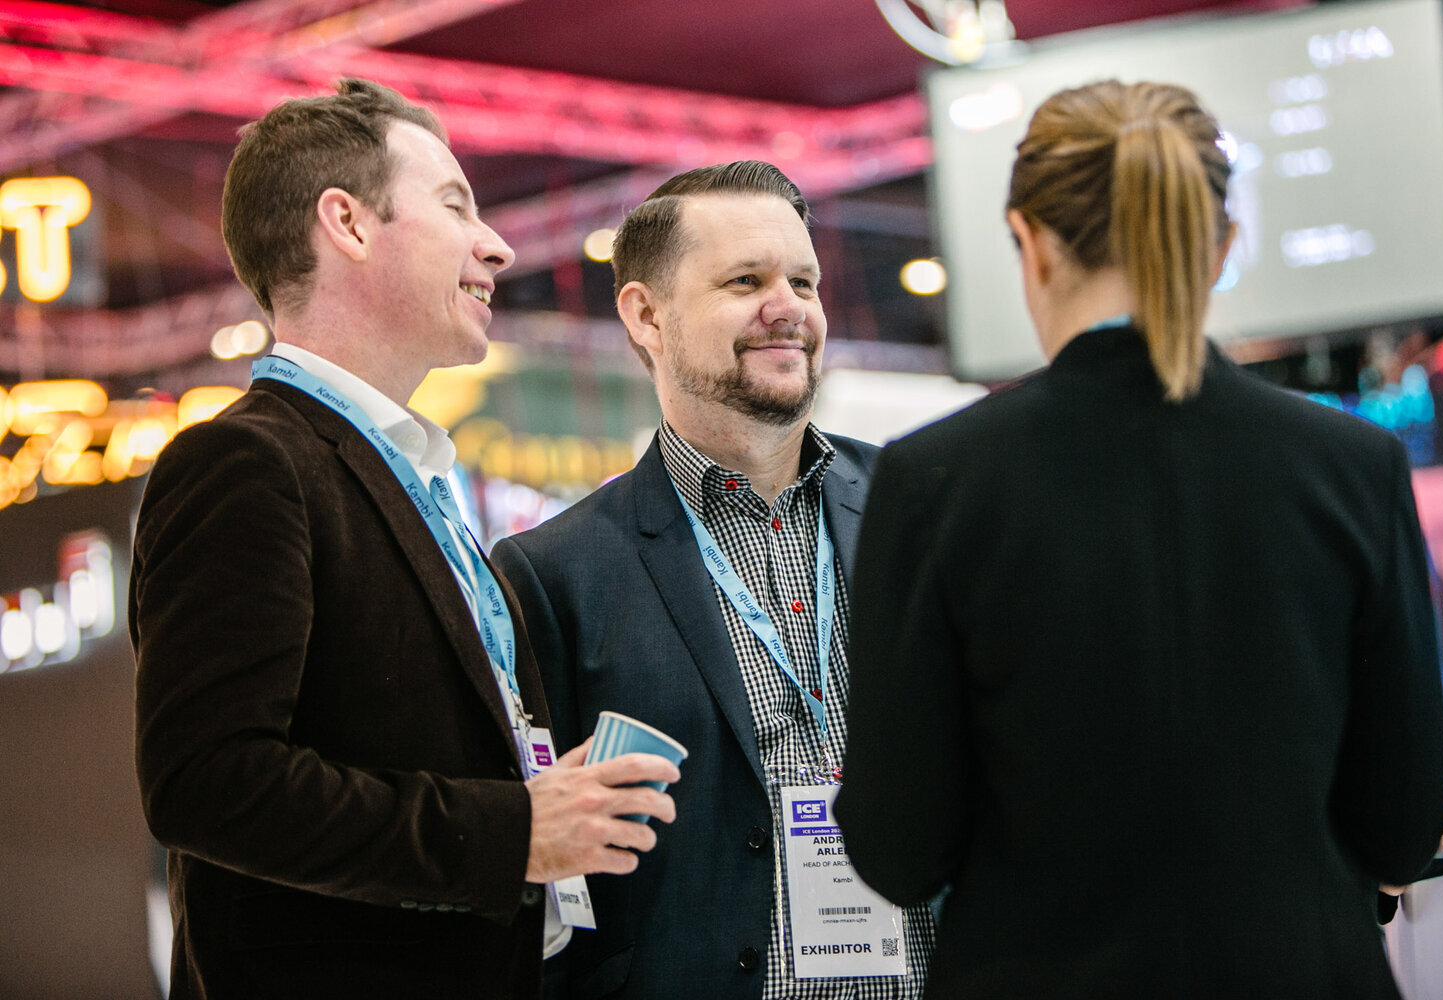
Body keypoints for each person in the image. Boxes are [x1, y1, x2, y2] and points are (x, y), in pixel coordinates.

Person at [835, 80, 1443, 998]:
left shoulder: (933, 481)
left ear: (1030, 243)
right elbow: (1404, 822)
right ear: (1222, 251)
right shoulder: (1351, 466)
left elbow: (900, 850)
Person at [130, 78, 678, 1000]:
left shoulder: (411, 474)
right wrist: (514, 830)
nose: (497, 245)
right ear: (345, 224)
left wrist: (540, 791)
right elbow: (208, 782)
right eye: (456, 204)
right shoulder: (243, 462)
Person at [492, 161, 936, 999]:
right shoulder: (551, 577)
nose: (788, 307)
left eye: (803, 279)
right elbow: (550, 893)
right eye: (746, 280)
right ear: (647, 315)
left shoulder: (924, 511)